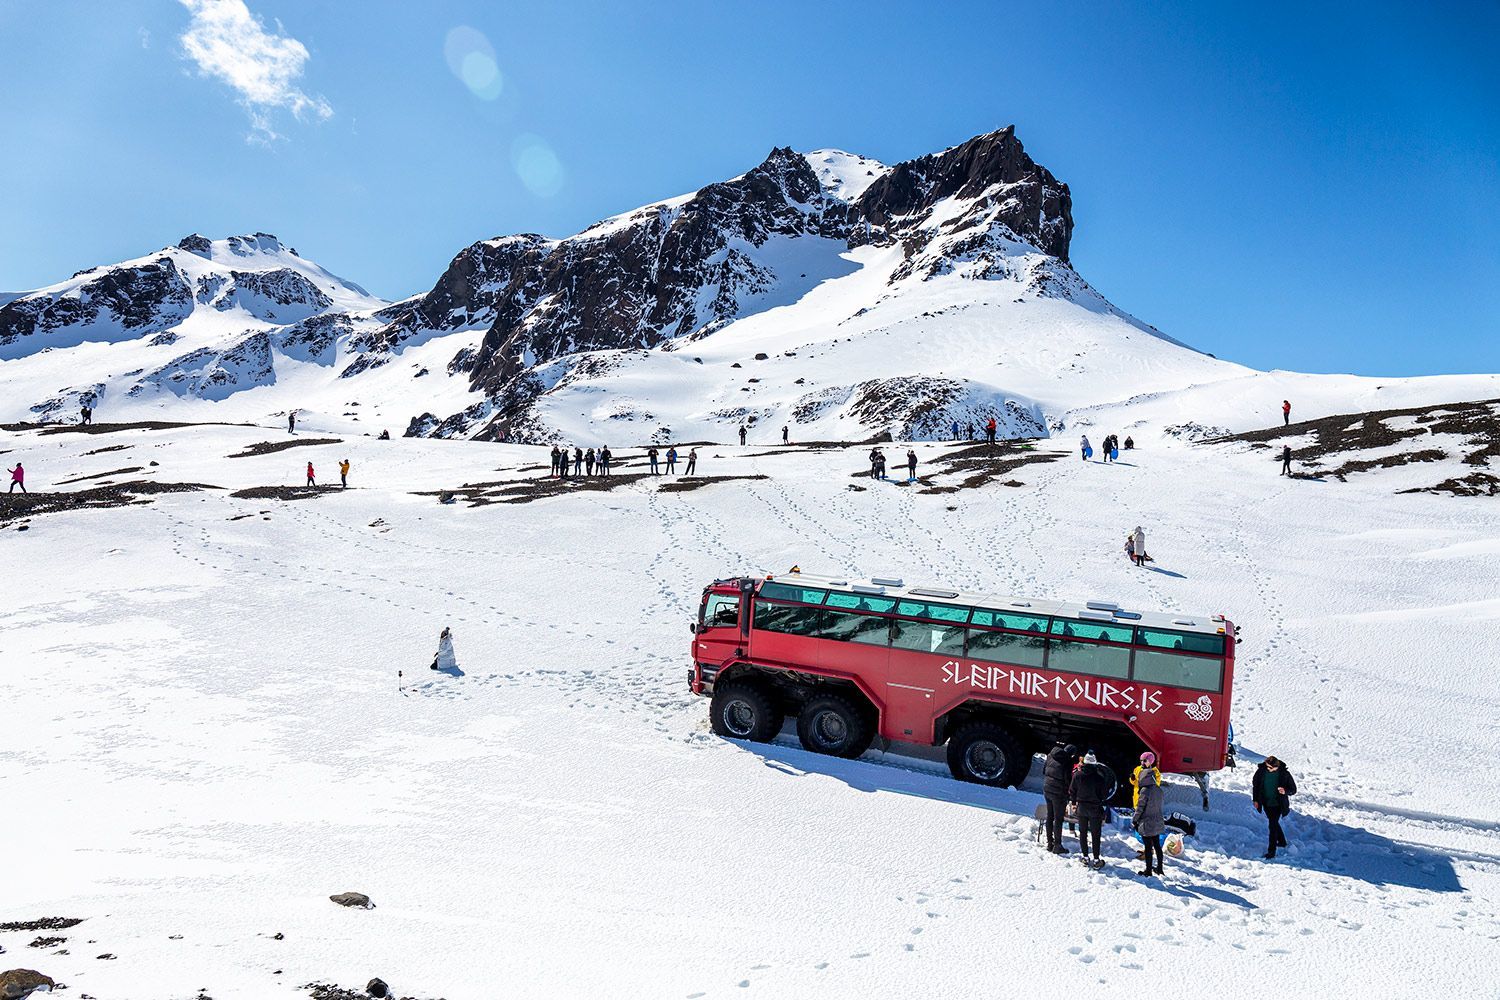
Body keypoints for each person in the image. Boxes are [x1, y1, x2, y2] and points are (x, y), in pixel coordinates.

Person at [1068, 751, 1111, 868]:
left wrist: (1073, 803)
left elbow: (1072, 791)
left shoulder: (1077, 775)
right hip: (1095, 809)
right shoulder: (1099, 778)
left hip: (1081, 808)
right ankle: (1096, 859)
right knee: (1095, 834)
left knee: (1083, 833)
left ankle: (1085, 857)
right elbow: (1104, 795)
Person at [1252, 755, 1297, 858]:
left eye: (1271, 768)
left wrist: (1285, 791)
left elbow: (1293, 789)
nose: (1269, 769)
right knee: (1274, 823)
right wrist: (1255, 800)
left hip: (1278, 804)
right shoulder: (1261, 771)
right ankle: (1282, 841)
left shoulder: (1284, 774)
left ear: (1277, 767)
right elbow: (1256, 786)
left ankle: (1271, 852)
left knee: (1272, 826)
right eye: (1268, 767)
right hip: (1266, 803)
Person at [1042, 742, 1078, 854]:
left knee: (1050, 816)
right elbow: (1068, 780)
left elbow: (1044, 771)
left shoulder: (1050, 755)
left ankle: (1049, 843)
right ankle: (1057, 845)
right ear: (1072, 755)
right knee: (1058, 819)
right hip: (1058, 794)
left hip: (1047, 789)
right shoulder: (1067, 762)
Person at [1134, 768, 1166, 876]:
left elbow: (1140, 808)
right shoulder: (1159, 789)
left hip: (1147, 823)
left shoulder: (1145, 791)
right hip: (1158, 821)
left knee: (1148, 847)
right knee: (1157, 845)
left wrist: (1135, 820)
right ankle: (1160, 869)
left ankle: (1148, 871)